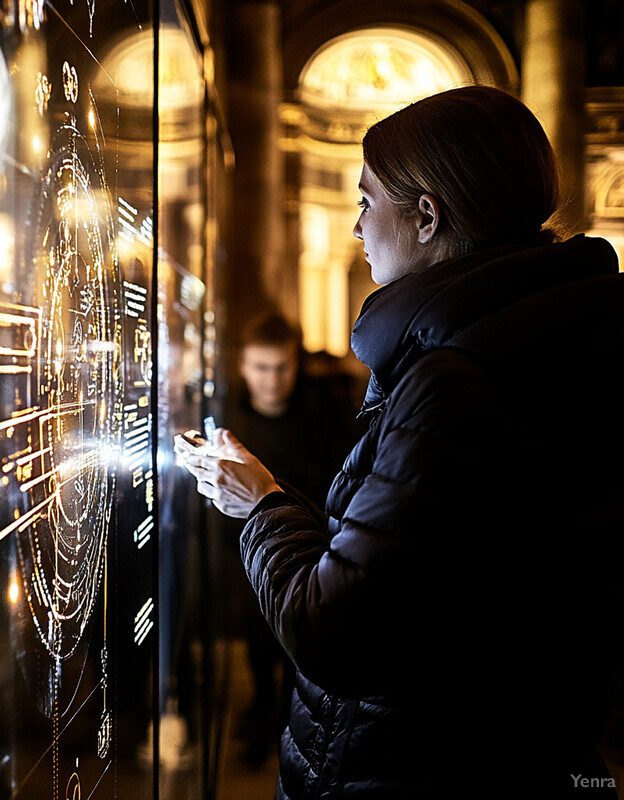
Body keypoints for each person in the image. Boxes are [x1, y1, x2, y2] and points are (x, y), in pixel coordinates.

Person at [184, 85, 624, 798]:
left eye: (366, 201)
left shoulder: (453, 381)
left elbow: (336, 635)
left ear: (426, 216)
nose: (356, 229)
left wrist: (259, 503)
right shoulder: (555, 335)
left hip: (413, 765)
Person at [223, 311, 360, 765]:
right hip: (245, 556)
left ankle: (286, 721)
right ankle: (263, 713)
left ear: (295, 366)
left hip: (312, 551)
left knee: (301, 654)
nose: (272, 380)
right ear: (243, 366)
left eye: (281, 367)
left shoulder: (322, 418)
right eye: (261, 367)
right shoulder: (230, 422)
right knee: (258, 644)